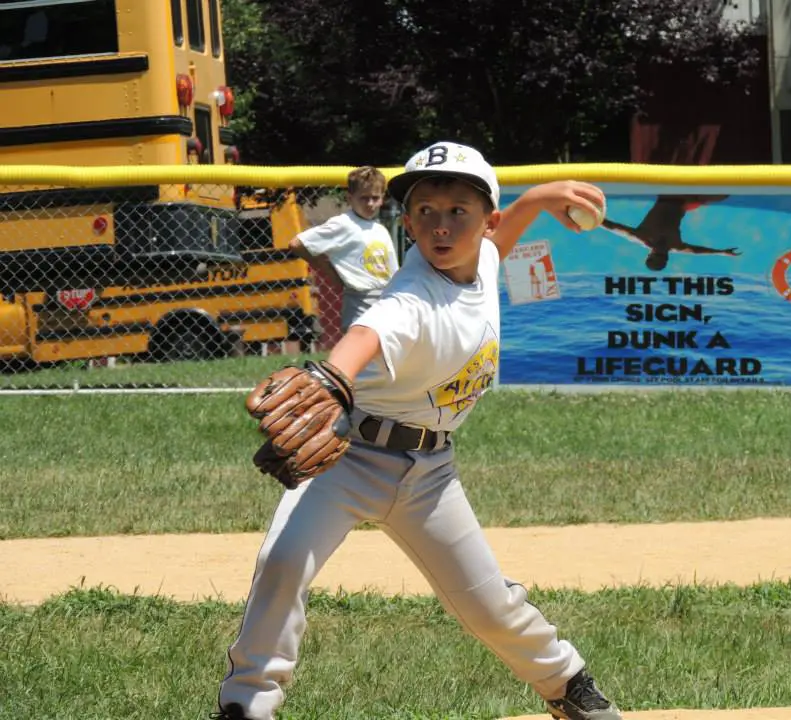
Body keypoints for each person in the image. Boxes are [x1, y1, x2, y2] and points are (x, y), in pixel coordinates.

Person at [213, 142, 622, 720]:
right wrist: (333, 379)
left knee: (488, 607)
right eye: (426, 211)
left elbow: (499, 247)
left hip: (430, 473)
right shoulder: (410, 296)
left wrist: (540, 197)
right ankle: (246, 706)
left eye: (459, 211)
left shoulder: (479, 260)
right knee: (283, 565)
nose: (441, 225)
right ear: (407, 224)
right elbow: (367, 335)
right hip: (349, 458)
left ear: (487, 223)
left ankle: (568, 687)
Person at [289, 166, 399, 332]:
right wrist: (328, 271)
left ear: (383, 198)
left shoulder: (379, 229)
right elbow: (297, 243)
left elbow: (393, 271)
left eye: (375, 198)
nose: (370, 204)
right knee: (363, 353)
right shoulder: (343, 224)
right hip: (361, 304)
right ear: (350, 198)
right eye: (364, 198)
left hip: (388, 300)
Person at [601, 194, 740, 271]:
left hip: (667, 196)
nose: (663, 252)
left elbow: (612, 226)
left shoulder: (641, 237)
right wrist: (722, 252)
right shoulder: (676, 246)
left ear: (650, 254)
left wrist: (589, 219)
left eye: (659, 254)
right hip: (687, 202)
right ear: (667, 258)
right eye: (664, 256)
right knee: (722, 194)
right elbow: (697, 251)